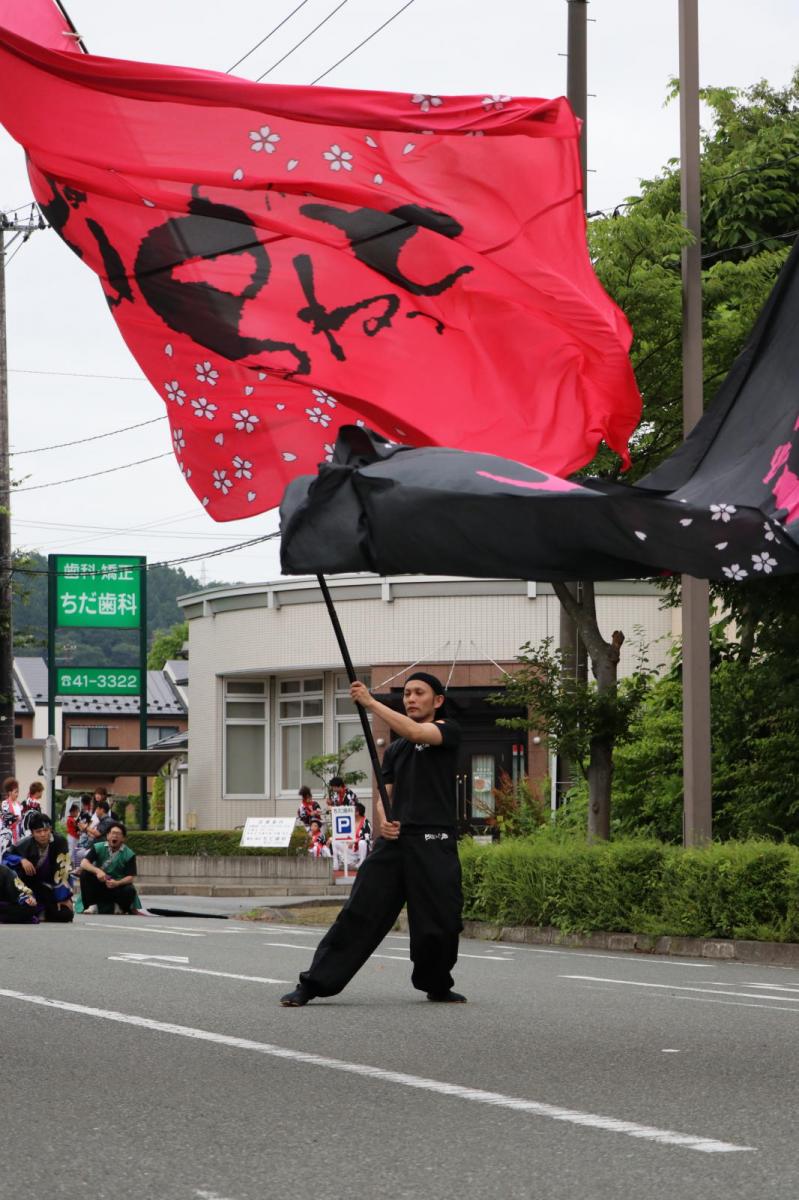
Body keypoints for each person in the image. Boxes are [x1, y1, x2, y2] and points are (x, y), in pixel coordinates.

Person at [281, 671, 465, 1007]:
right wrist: (384, 820)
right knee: (358, 914)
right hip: (394, 845)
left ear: (437, 701)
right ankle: (313, 984)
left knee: (440, 923)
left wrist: (370, 702)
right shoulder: (395, 749)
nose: (410, 698)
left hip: (434, 841)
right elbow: (385, 793)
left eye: (419, 693)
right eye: (407, 693)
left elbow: (416, 730)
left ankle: (436, 983)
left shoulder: (447, 732)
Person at [4, 812, 74, 922]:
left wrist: (64, 898)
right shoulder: (25, 843)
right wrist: (21, 859)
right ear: (32, 833)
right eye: (38, 832)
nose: (43, 834)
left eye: (45, 830)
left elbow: (63, 870)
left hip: (50, 886)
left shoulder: (60, 842)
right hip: (29, 885)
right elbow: (6, 855)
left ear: (50, 829)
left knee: (66, 914)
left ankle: (42, 911)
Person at [76, 821, 142, 915]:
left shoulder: (129, 854)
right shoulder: (98, 847)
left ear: (123, 838)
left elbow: (130, 877)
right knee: (85, 874)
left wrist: (117, 883)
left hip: (117, 887)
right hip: (101, 884)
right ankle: (92, 905)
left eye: (118, 834)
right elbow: (84, 863)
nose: (115, 836)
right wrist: (97, 871)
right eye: (112, 833)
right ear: (107, 836)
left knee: (130, 890)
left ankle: (119, 907)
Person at [1, 777, 23, 843]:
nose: (17, 794)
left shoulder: (19, 804)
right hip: (10, 834)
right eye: (16, 792)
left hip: (19, 832)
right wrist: (16, 819)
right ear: (10, 792)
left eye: (18, 792)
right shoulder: (5, 803)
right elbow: (6, 819)